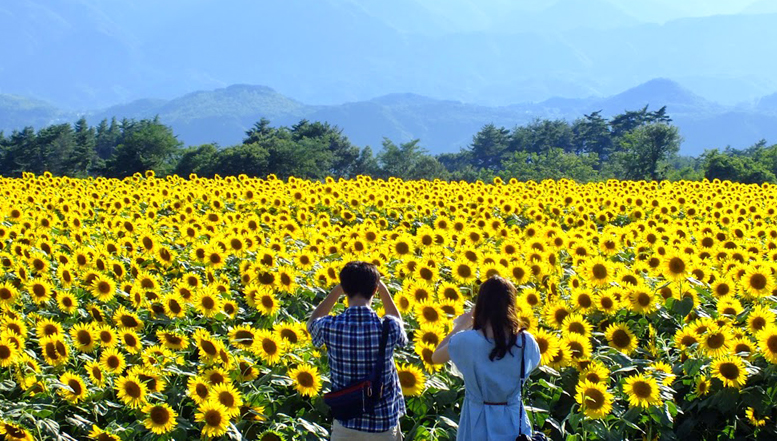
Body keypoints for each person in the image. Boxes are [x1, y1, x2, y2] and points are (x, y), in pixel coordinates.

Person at [431, 276, 541, 441]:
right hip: (513, 421)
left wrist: (463, 324)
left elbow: (436, 356)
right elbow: (533, 364)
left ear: (481, 305)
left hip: (477, 420)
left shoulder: (466, 341)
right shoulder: (525, 341)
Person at [308, 261, 408, 441]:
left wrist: (337, 289)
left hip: (346, 423)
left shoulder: (330, 326)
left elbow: (312, 323)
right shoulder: (388, 327)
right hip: (383, 424)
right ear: (375, 290)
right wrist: (383, 289)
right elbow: (400, 326)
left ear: (345, 290)